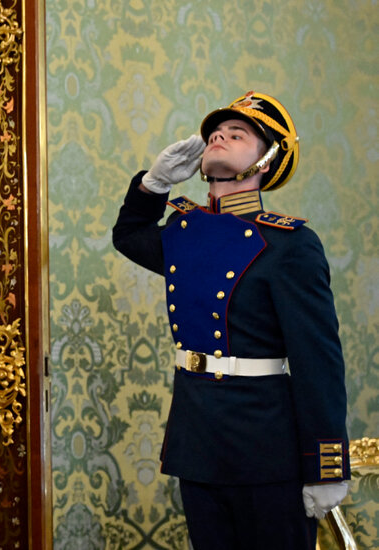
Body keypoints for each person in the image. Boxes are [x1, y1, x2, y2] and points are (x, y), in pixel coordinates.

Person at [112, 91, 349, 549]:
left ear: (266, 160)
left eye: (237, 134)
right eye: (215, 133)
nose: (219, 137)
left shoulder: (290, 244)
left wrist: (325, 466)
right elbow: (128, 236)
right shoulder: (184, 230)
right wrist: (153, 185)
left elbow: (318, 362)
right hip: (198, 441)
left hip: (266, 449)